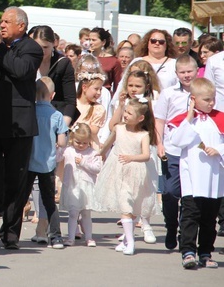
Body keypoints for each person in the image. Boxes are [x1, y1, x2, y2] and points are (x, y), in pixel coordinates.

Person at [0, 6, 43, 249]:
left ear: (21, 26)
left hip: (19, 125)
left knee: (16, 179)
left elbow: (21, 70)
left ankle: (11, 233)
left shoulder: (31, 49)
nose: (1, 25)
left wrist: (2, 49)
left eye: (6, 22)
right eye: (0, 21)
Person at [166, 78, 224, 269]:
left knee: (209, 219)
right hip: (192, 177)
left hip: (214, 178)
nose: (211, 103)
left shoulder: (220, 118)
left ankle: (206, 253)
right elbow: (178, 141)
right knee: (190, 215)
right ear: (193, 99)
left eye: (213, 99)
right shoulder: (184, 120)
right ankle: (188, 251)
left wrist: (219, 150)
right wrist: (190, 115)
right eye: (207, 99)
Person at [94, 97, 159, 256]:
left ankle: (126, 240)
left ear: (140, 118)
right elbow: (108, 144)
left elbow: (146, 155)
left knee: (132, 207)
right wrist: (98, 156)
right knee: (125, 205)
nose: (126, 115)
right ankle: (130, 242)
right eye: (126, 111)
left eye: (130, 113)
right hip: (118, 171)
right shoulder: (119, 128)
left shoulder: (143, 135)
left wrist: (131, 157)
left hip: (135, 173)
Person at [154, 55, 198, 250]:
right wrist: (159, 143)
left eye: (190, 71)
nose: (187, 75)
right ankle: (171, 226)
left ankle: (185, 234)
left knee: (190, 196)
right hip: (172, 149)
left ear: (197, 71)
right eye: (182, 72)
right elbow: (160, 120)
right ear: (176, 73)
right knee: (170, 192)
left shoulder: (204, 91)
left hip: (196, 151)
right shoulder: (169, 93)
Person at [26, 77, 68, 249]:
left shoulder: (31, 111)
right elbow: (62, 141)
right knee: (49, 201)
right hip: (48, 163)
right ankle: (56, 236)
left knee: (21, 197)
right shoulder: (57, 115)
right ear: (53, 95)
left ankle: (10, 234)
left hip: (29, 161)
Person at [60, 123, 102, 247]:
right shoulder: (68, 150)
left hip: (86, 187)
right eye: (78, 142)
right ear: (73, 139)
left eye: (85, 143)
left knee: (86, 213)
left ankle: (88, 237)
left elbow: (97, 168)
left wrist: (83, 162)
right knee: (73, 213)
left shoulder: (92, 152)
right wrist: (57, 148)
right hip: (72, 186)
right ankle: (71, 238)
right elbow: (57, 158)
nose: (82, 145)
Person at [30, 25, 77, 123]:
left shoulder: (63, 63)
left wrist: (63, 126)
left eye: (45, 47)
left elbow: (70, 101)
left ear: (54, 43)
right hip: (30, 116)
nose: (41, 51)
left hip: (54, 117)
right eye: (37, 46)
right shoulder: (28, 61)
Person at [74, 71, 106, 150]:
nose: (99, 93)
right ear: (84, 87)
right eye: (96, 89)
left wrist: (74, 125)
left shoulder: (98, 108)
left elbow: (94, 131)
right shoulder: (73, 104)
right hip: (72, 143)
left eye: (100, 89)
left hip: (88, 146)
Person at [88, 27, 123, 92]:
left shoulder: (113, 61)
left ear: (103, 42)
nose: (90, 42)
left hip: (104, 95)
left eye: (93, 40)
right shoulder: (85, 58)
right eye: (89, 40)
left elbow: (117, 85)